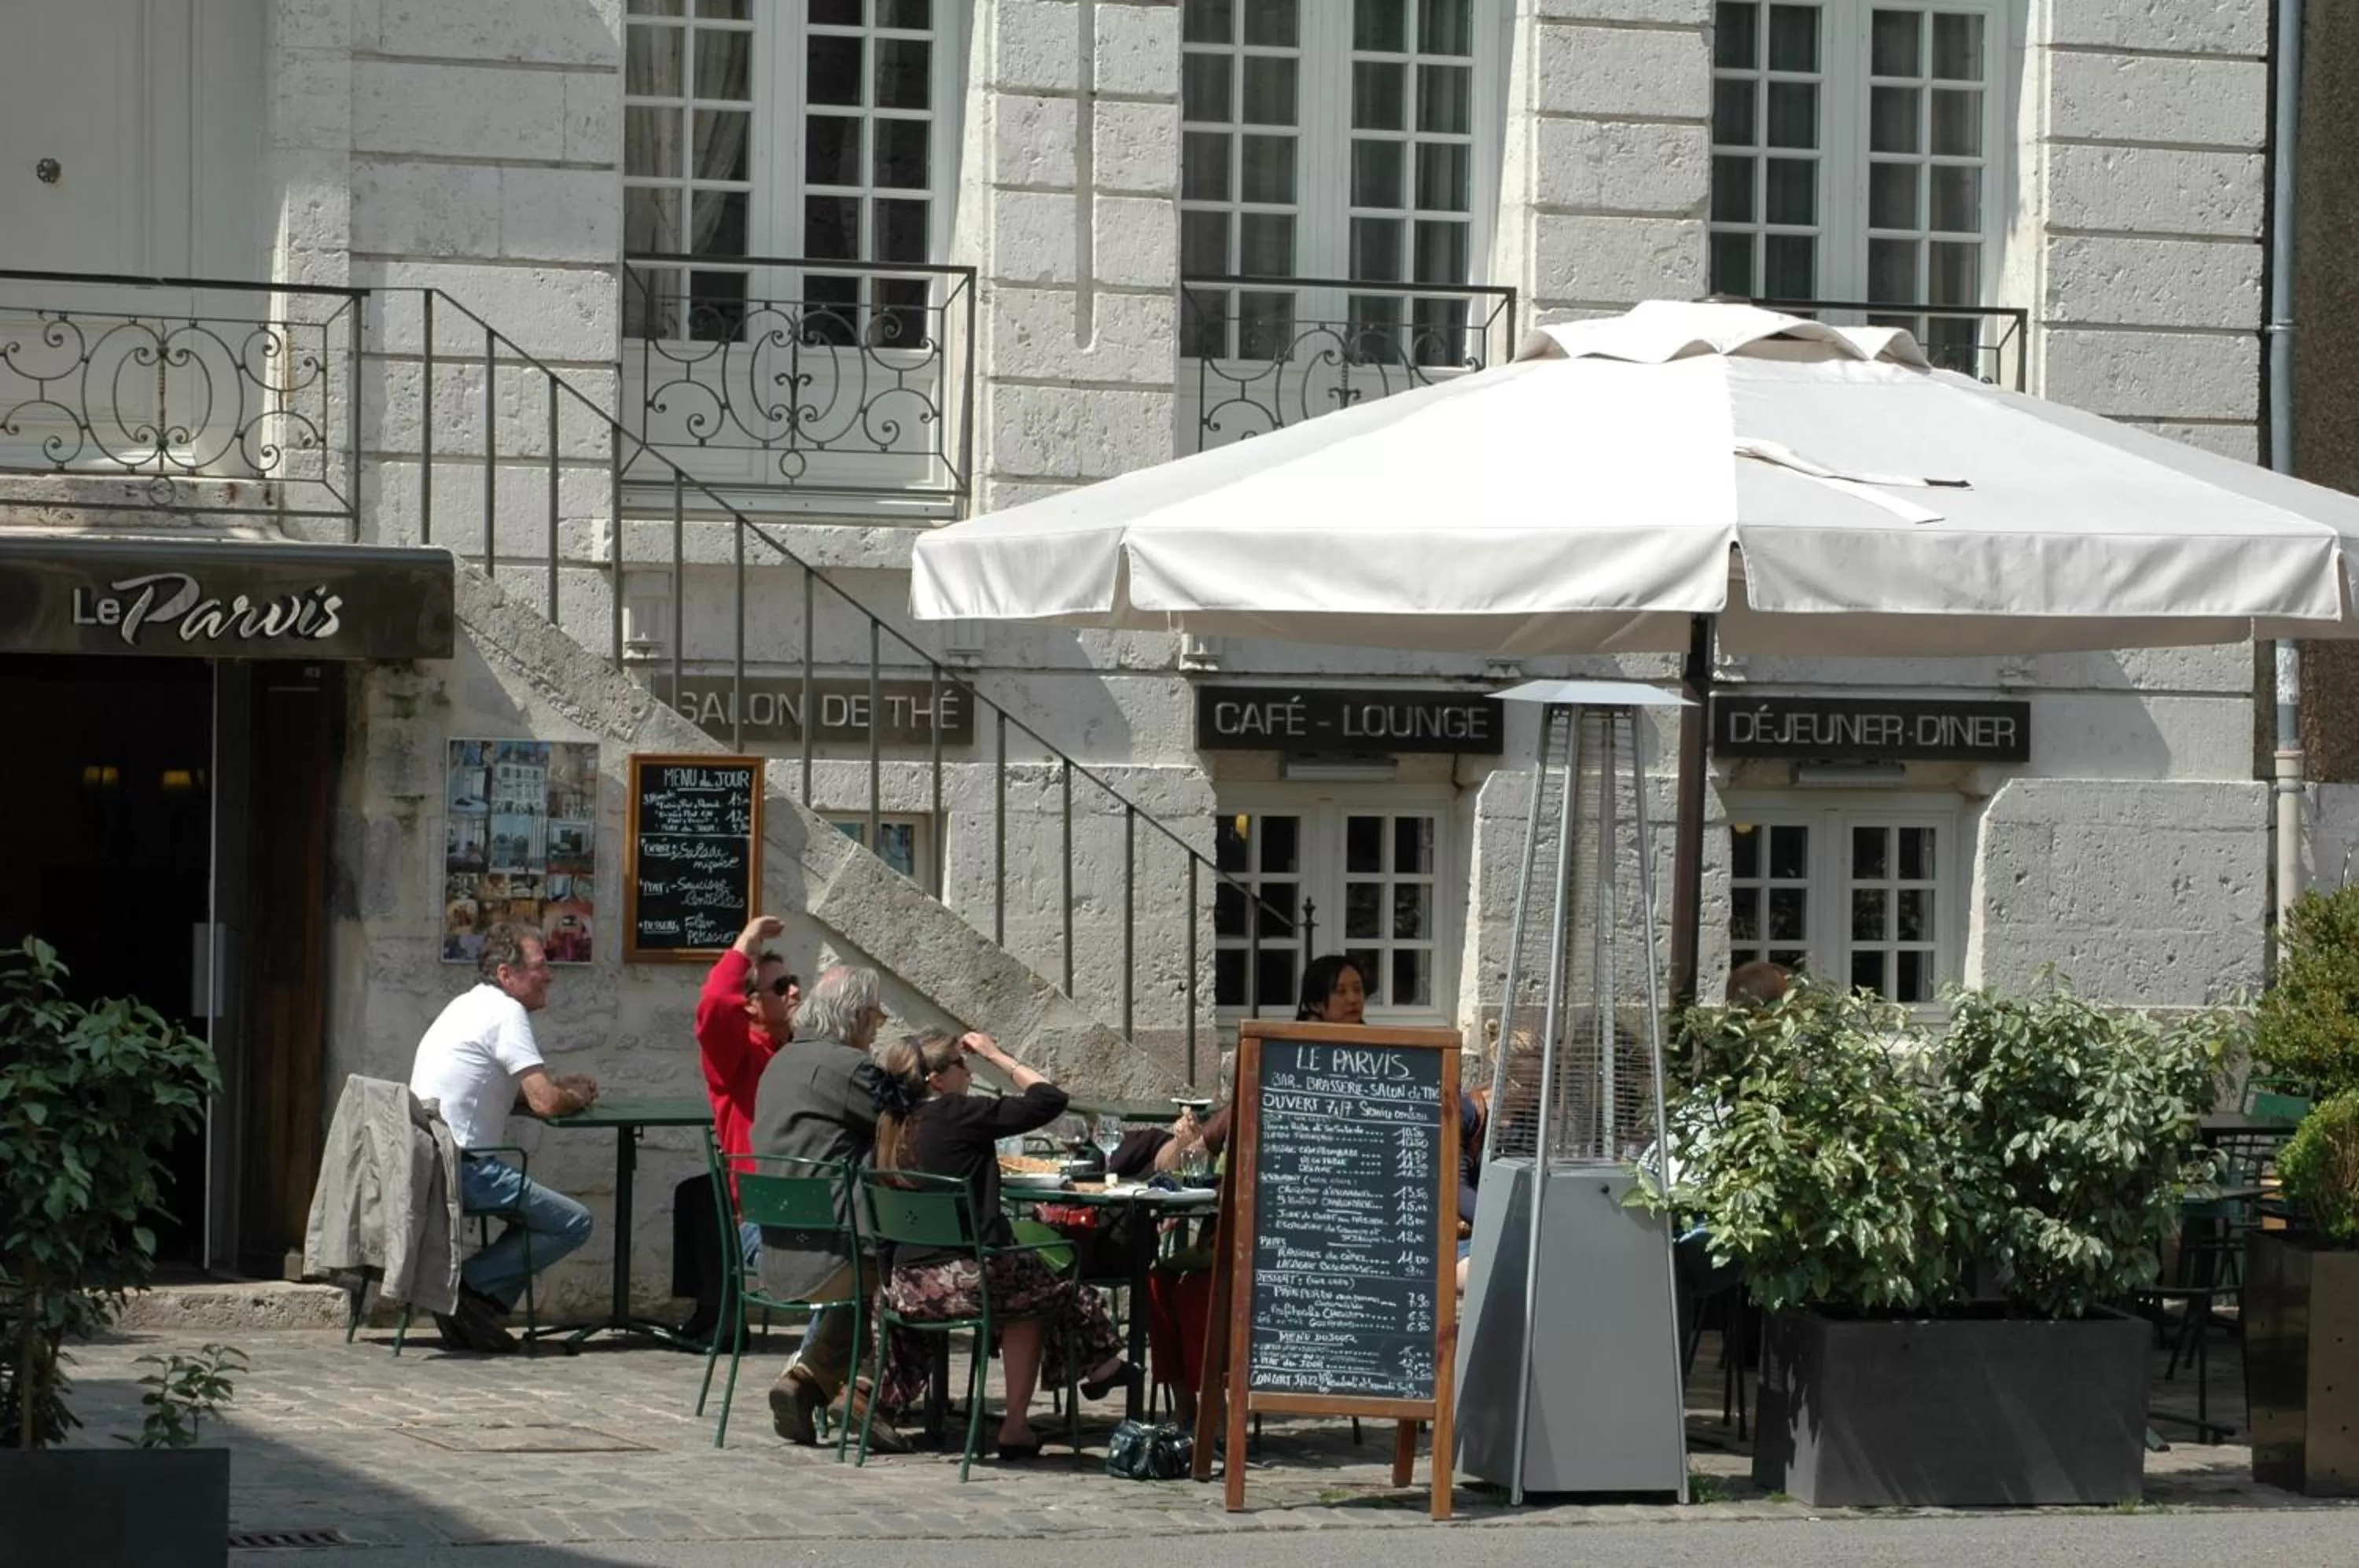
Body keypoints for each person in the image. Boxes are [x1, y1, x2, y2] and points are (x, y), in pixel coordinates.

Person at [868, 1030, 1129, 1459]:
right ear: (936, 1079)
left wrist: (889, 1282)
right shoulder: (955, 1113)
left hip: (905, 1285)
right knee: (1053, 1285)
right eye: (961, 1064)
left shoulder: (893, 1124)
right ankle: (1065, 1390)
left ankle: (1074, 1385)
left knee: (1029, 1287)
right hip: (965, 1280)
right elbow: (1049, 1100)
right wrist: (996, 1055)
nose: (969, 1072)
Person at [407, 922, 598, 1353]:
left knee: (539, 1219)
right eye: (540, 966)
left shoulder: (465, 1005)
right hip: (466, 1167)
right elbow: (547, 1103)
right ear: (506, 976)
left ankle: (479, 1306)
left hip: (433, 1160)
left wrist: (555, 1090)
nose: (548, 976)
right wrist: (576, 1095)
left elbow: (495, 1093)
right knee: (572, 1222)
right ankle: (470, 1290)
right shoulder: (506, 1013)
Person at [748, 964, 903, 1450]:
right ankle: (862, 1394)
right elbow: (907, 1129)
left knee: (878, 1268)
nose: (875, 1029)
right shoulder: (852, 1069)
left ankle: (808, 1382)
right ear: (857, 1018)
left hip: (775, 1244)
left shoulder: (780, 1061)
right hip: (833, 1252)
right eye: (875, 1020)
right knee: (917, 1267)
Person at [675, 914, 799, 1343]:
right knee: (701, 1195)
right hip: (765, 1207)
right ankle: (715, 1311)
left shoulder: (801, 1049)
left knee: (697, 1193)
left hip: (802, 1195)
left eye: (794, 981)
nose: (796, 992)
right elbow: (712, 1007)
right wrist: (745, 942)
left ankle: (712, 1310)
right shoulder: (741, 1053)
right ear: (750, 1004)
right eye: (781, 988)